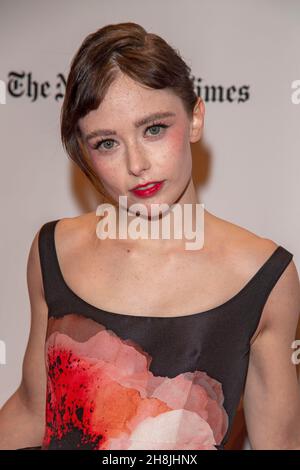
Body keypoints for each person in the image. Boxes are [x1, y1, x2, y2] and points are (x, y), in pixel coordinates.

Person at [1, 21, 300, 451]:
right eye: (106, 143)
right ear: (83, 151)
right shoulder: (55, 251)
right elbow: (33, 411)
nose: (137, 163)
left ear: (195, 117)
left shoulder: (263, 274)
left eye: (154, 129)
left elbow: (280, 442)